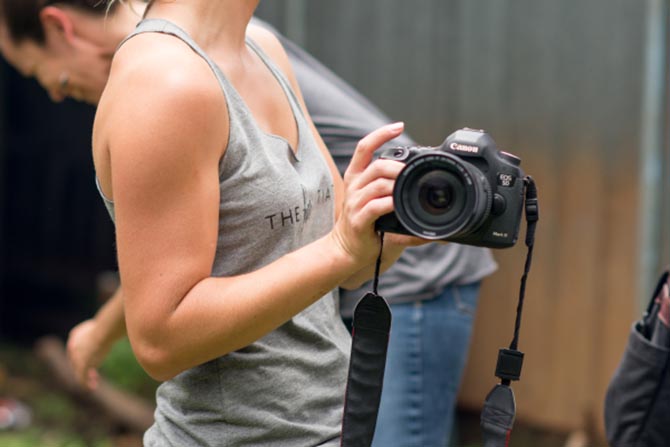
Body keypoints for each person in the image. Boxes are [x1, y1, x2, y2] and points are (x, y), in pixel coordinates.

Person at [0, 1, 497, 445]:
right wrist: (342, 250)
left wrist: (379, 231)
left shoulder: (262, 49)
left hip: (332, 426)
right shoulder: (164, 82)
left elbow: (338, 261)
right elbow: (160, 339)